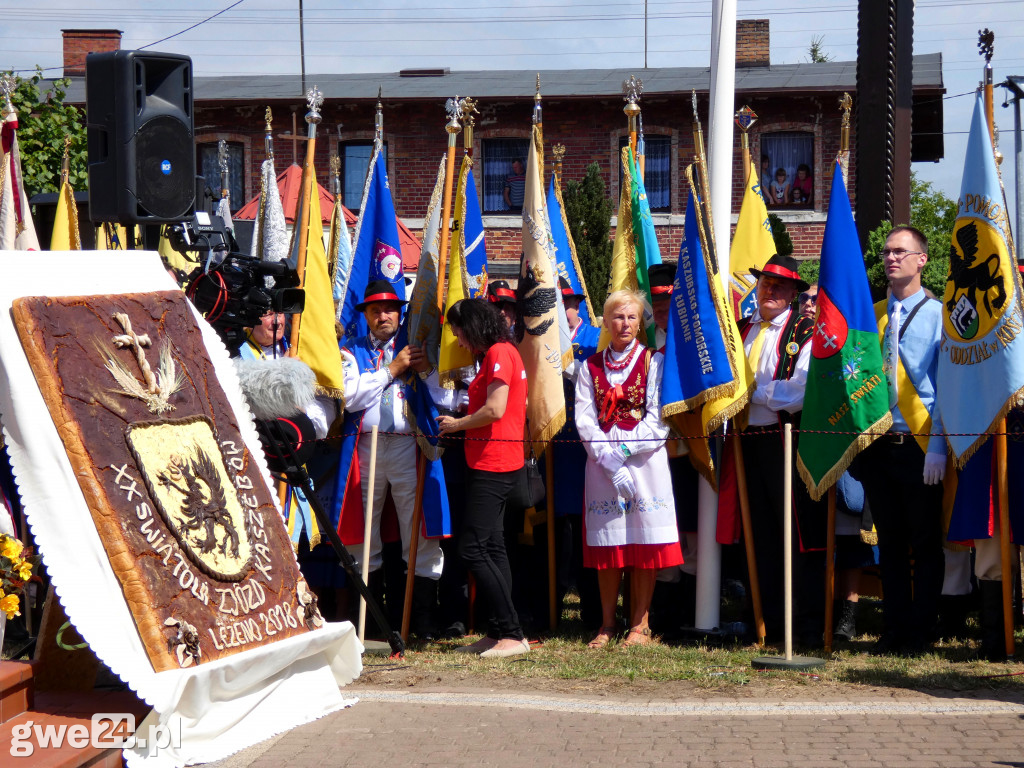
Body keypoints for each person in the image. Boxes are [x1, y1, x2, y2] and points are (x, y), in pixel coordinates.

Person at [335, 280, 444, 639]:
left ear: (400, 312)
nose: (383, 316)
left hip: (406, 446)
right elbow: (351, 398)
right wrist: (392, 369)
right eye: (375, 310)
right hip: (365, 448)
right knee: (362, 533)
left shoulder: (418, 347)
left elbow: (443, 396)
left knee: (419, 530)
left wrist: (423, 368)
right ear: (364, 315)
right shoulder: (350, 351)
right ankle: (367, 624)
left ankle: (421, 623)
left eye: (390, 309)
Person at [575, 289, 683, 648]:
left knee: (643, 540)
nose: (624, 323)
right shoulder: (589, 366)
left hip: (645, 463)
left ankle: (640, 624)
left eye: (632, 317)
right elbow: (585, 420)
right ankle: (607, 624)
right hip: (602, 466)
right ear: (605, 321)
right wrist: (608, 460)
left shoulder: (655, 362)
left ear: (641, 324)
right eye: (618, 317)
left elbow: (658, 421)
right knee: (610, 545)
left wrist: (621, 451)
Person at [859, 225, 946, 655]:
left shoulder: (939, 314)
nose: (891, 258)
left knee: (925, 541)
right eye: (887, 252)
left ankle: (921, 631)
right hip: (878, 443)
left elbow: (945, 387)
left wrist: (938, 448)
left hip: (919, 442)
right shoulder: (872, 314)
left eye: (901, 251)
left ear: (921, 260)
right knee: (889, 542)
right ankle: (893, 630)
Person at [737, 253, 823, 644]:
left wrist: (754, 392)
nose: (770, 290)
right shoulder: (740, 329)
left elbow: (799, 392)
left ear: (792, 294)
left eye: (780, 286)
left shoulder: (805, 330)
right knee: (758, 534)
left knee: (794, 533)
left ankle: (802, 625)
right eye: (765, 283)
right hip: (744, 444)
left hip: (785, 442)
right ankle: (765, 619)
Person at [437, 298, 530, 658]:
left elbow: (495, 409)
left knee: (472, 549)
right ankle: (498, 632)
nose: (459, 341)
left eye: (460, 332)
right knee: (492, 548)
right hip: (492, 461)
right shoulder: (500, 353)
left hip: (495, 463)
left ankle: (512, 633)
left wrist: (457, 423)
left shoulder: (498, 354)